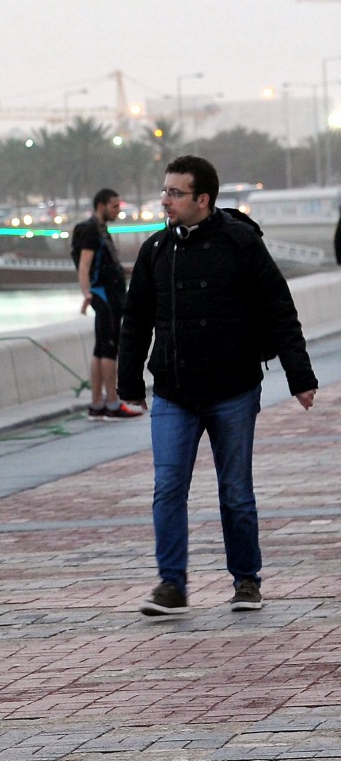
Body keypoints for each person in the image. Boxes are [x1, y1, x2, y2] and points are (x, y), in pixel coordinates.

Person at [118, 155, 318, 617]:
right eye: (165, 191)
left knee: (235, 491)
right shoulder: (155, 251)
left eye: (176, 193)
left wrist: (300, 378)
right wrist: (130, 383)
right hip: (173, 390)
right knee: (168, 487)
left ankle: (246, 581)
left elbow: (278, 309)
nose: (166, 201)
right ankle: (172, 586)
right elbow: (135, 324)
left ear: (203, 199)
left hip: (233, 389)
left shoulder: (241, 242)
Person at [72, 188, 142, 421]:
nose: (118, 211)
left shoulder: (100, 230)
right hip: (104, 297)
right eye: (114, 206)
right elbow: (84, 265)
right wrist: (87, 294)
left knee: (100, 348)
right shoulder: (91, 231)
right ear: (101, 205)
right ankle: (112, 403)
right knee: (110, 348)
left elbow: (107, 264)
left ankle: (97, 403)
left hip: (108, 295)